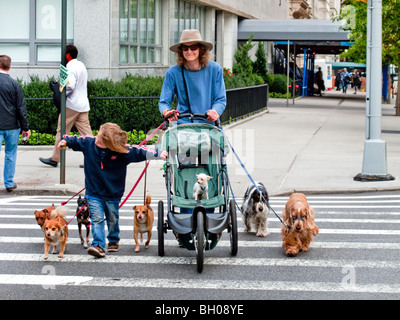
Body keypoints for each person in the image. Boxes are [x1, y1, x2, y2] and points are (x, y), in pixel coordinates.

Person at [58, 122, 167, 257]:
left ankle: (113, 240)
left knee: (112, 218)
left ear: (110, 145)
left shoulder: (122, 152)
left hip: (112, 193)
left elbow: (140, 151)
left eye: (101, 141)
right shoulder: (89, 143)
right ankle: (98, 245)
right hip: (93, 192)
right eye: (97, 136)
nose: (96, 140)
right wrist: (65, 141)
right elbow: (76, 140)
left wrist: (158, 153)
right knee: (97, 219)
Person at [40, 44, 92, 167]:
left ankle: (55, 159)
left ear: (67, 55)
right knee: (87, 134)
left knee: (61, 131)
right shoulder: (81, 65)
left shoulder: (69, 66)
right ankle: (94, 159)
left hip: (71, 105)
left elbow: (70, 86)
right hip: (83, 104)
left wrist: (59, 90)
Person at [159, 29, 226, 125]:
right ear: (181, 51)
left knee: (223, 140)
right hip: (183, 126)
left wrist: (215, 111)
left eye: (193, 47)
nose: (189, 51)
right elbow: (163, 102)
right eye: (185, 48)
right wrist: (167, 112)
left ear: (201, 49)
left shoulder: (215, 69)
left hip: (209, 126)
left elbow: (220, 99)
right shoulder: (173, 73)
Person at [0, 55, 31, 192]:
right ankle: (9, 183)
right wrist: (25, 128)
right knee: (10, 155)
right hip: (12, 126)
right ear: (9, 67)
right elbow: (20, 108)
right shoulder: (14, 84)